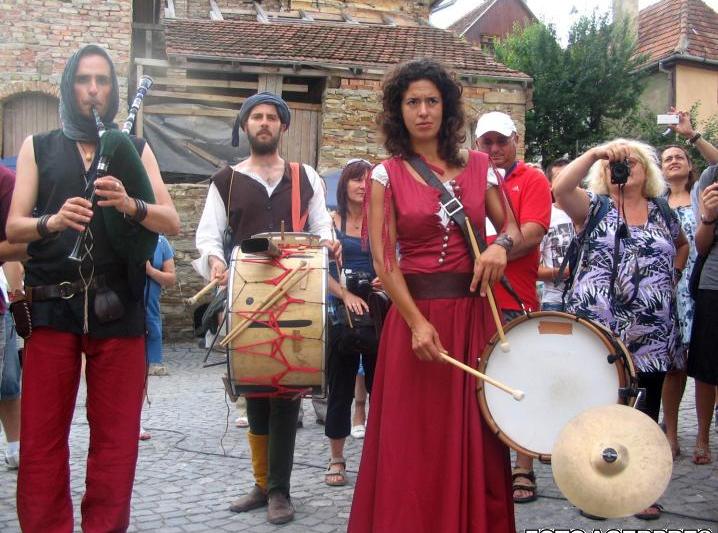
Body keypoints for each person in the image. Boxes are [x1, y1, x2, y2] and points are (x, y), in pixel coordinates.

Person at [7, 44, 180, 532]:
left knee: (117, 439)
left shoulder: (134, 148)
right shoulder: (38, 146)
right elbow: (16, 226)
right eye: (84, 80)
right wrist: (54, 220)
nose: (94, 90)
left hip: (118, 305)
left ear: (113, 89)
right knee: (41, 438)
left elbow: (171, 220)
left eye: (103, 81)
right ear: (69, 86)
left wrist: (129, 204)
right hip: (51, 307)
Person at [348, 58, 522, 532]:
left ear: (445, 109)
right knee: (414, 437)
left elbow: (511, 226)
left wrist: (499, 248)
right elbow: (385, 260)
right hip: (415, 320)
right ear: (398, 111)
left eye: (431, 101)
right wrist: (416, 323)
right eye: (412, 102)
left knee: (475, 431)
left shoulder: (481, 166)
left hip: (472, 318)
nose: (423, 111)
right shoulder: (386, 174)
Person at [193, 91, 336, 524]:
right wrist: (215, 261)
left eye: (271, 117)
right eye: (255, 117)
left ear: (283, 127)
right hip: (247, 297)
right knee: (254, 388)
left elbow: (322, 227)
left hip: (295, 295)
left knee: (286, 391)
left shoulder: (305, 175)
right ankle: (262, 483)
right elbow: (208, 238)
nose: (263, 123)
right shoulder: (226, 180)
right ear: (245, 126)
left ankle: (279, 490)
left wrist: (328, 242)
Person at [553, 138, 688, 520]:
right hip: (601, 328)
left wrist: (672, 276)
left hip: (654, 329)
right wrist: (597, 153)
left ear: (647, 172)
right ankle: (594, 489)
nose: (626, 167)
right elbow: (561, 187)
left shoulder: (661, 210)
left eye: (634, 162)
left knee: (644, 408)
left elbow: (682, 246)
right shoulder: (593, 207)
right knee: (599, 404)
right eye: (618, 162)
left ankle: (639, 488)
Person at [475, 111, 552, 503]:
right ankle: (484, 465)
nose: (494, 149)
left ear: (515, 140)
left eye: (500, 141)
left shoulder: (533, 179)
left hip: (515, 298)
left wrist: (491, 251)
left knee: (522, 384)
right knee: (480, 387)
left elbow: (532, 233)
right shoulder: (469, 179)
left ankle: (523, 467)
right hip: (473, 299)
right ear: (476, 145)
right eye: (486, 142)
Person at [323, 158, 378, 486]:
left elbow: (391, 261)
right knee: (340, 387)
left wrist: (383, 281)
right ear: (343, 185)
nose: (361, 185)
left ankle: (378, 456)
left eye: (367, 180)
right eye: (355, 179)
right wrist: (345, 295)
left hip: (375, 311)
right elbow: (319, 271)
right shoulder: (330, 224)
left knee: (379, 386)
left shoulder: (381, 222)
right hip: (340, 312)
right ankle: (337, 458)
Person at [658, 144, 697, 459]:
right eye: (667, 158)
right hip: (671, 290)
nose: (673, 161)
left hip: (704, 287)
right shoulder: (657, 204)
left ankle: (704, 432)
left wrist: (692, 135)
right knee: (675, 366)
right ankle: (670, 432)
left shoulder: (703, 194)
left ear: (689, 164)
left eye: (679, 156)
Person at [688, 161, 718, 466]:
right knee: (706, 367)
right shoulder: (712, 175)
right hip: (714, 283)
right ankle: (702, 436)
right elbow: (701, 244)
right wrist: (709, 217)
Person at [538, 158, 573, 312]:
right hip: (554, 302)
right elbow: (532, 269)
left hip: (588, 301)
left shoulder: (593, 214)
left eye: (571, 176)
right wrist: (562, 273)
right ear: (550, 185)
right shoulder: (545, 216)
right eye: (560, 178)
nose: (567, 182)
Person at [0, 262, 23, 469]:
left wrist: (18, 297)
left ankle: (16, 446)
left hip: (3, 305)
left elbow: (11, 257)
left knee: (8, 378)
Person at [145, 234, 176, 376]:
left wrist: (151, 272)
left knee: (153, 328)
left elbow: (171, 278)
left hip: (151, 301)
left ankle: (154, 362)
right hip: (128, 301)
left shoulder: (161, 242)